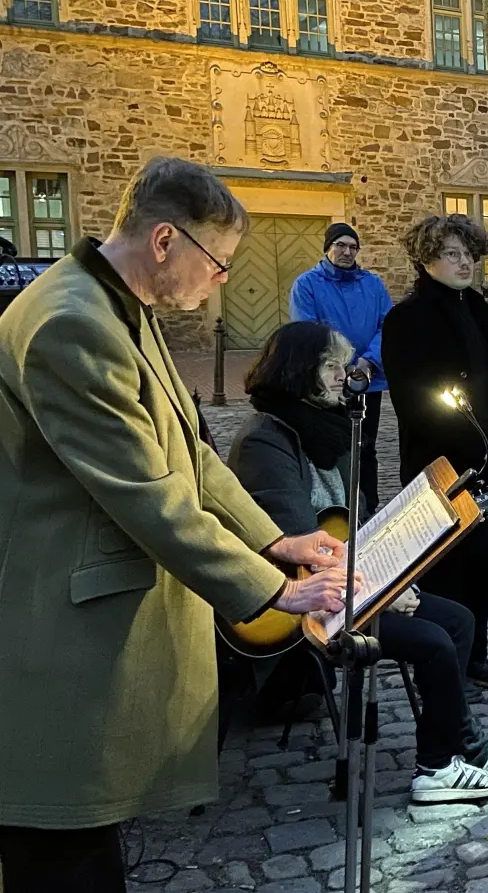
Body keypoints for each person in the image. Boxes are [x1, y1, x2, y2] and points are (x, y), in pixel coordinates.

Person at [0, 156, 349, 889]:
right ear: (165, 241)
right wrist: (274, 591)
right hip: (57, 621)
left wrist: (273, 537)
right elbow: (145, 494)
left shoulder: (121, 304)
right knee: (62, 847)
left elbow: (187, 449)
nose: (222, 280)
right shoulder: (72, 321)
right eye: (218, 263)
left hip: (85, 610)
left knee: (89, 844)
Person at [229, 322, 488, 802]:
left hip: (347, 579)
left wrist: (394, 574)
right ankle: (449, 765)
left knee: (457, 619)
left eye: (343, 363)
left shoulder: (329, 428)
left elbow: (356, 524)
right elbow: (299, 540)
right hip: (299, 599)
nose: (344, 374)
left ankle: (448, 758)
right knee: (434, 641)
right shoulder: (265, 438)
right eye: (330, 365)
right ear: (300, 371)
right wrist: (376, 590)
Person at [383, 214, 488, 691]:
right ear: (426, 260)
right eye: (452, 254)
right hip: (443, 466)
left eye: (469, 255)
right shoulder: (406, 319)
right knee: (448, 569)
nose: (465, 263)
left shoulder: (481, 310)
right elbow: (417, 400)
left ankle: (476, 656)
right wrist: (477, 445)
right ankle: (448, 662)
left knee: (485, 564)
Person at [289, 222, 393, 509]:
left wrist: (367, 361)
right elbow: (308, 329)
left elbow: (388, 326)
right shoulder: (307, 284)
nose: (347, 252)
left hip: (367, 377)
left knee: (366, 445)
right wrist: (340, 365)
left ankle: (368, 504)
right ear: (328, 248)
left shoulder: (372, 284)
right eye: (341, 245)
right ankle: (335, 505)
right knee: (330, 443)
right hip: (328, 380)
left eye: (352, 247)